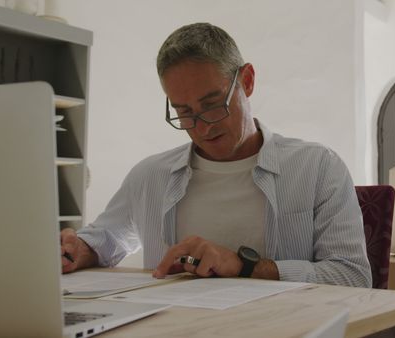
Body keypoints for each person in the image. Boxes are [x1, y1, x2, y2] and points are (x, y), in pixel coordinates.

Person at [60, 22, 372, 288]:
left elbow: (353, 277)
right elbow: (104, 239)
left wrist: (245, 267)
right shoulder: (149, 176)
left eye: (212, 104)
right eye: (185, 112)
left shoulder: (317, 168)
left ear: (247, 81)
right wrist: (80, 250)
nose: (203, 127)